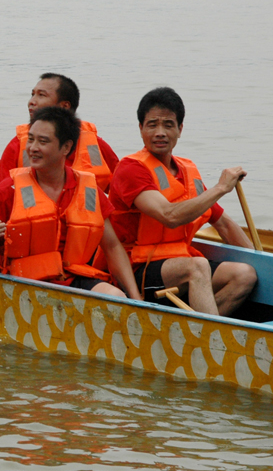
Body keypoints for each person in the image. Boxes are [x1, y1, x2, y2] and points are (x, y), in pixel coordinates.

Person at [0, 107, 140, 299]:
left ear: (66, 147)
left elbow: (112, 247)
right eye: (30, 139)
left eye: (43, 141)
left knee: (116, 297)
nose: (32, 148)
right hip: (19, 282)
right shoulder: (8, 190)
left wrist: (135, 297)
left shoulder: (88, 190)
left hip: (72, 278)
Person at [108, 87, 256, 316]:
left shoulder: (187, 171)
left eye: (168, 125)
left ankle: (196, 329)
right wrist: (220, 188)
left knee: (245, 274)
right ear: (140, 129)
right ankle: (211, 338)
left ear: (180, 129)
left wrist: (262, 262)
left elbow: (224, 224)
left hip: (180, 263)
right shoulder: (131, 168)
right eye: (152, 124)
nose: (160, 132)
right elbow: (169, 216)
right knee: (197, 267)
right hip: (138, 268)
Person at [0, 73, 119, 191]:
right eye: (32, 94)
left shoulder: (96, 145)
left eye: (41, 95)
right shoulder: (17, 145)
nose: (31, 101)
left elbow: (119, 190)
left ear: (64, 106)